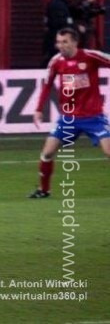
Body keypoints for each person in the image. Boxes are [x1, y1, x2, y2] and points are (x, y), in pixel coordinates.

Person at [29, 28, 110, 199]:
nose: (60, 45)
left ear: (75, 42)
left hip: (94, 117)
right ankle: (44, 190)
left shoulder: (90, 56)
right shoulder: (56, 62)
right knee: (47, 153)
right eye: (58, 42)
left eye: (64, 42)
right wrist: (38, 109)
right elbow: (47, 85)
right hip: (68, 118)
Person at [42, 0, 81, 65]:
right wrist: (76, 27)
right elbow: (61, 24)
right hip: (56, 47)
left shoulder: (64, 5)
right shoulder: (56, 5)